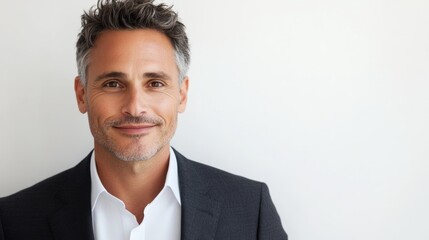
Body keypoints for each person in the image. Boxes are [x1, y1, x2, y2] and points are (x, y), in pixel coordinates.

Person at [0, 0, 287, 239]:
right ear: (82, 95)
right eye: (113, 83)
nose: (135, 107)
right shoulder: (14, 221)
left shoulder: (251, 212)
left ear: (182, 94)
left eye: (155, 83)